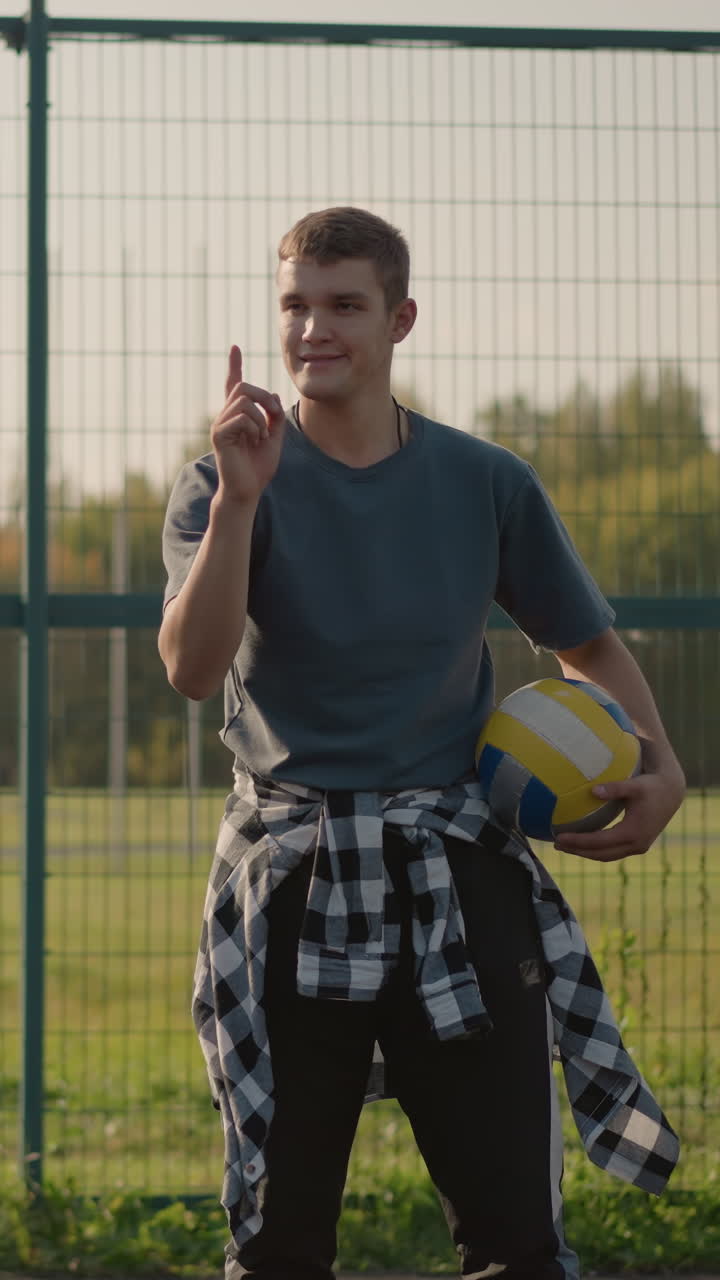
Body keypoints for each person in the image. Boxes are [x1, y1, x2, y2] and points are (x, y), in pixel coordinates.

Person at [158, 207, 685, 1280]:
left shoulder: (485, 480)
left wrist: (662, 765)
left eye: (345, 304)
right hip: (291, 876)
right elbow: (193, 668)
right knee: (279, 1242)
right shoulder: (224, 478)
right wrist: (242, 504)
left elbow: (584, 642)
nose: (315, 328)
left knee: (517, 1238)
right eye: (296, 305)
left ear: (399, 318)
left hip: (455, 866)